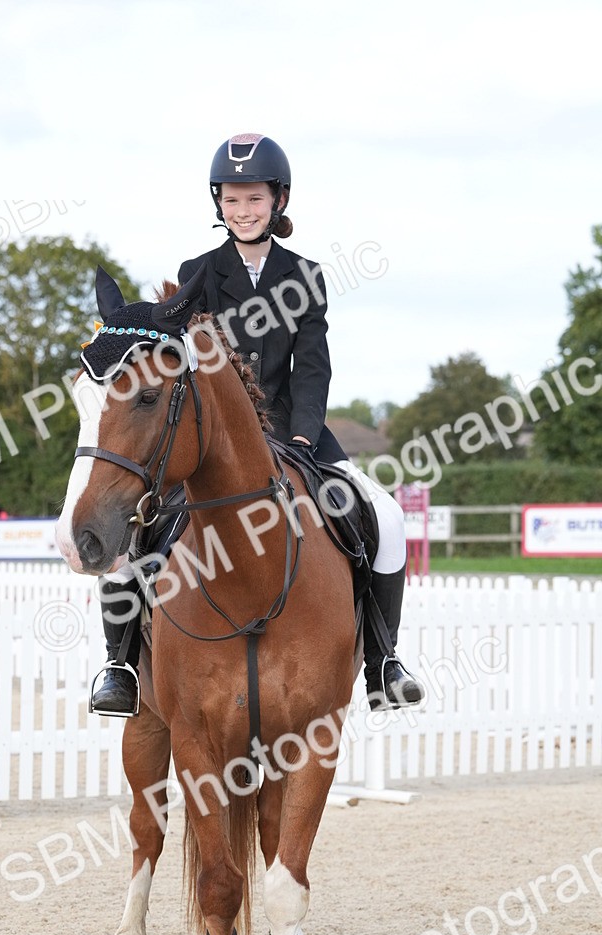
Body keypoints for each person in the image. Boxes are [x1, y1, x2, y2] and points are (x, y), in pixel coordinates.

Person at [90, 133, 423, 716]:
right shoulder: (196, 275)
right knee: (134, 537)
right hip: (213, 439)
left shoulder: (306, 276)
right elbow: (181, 367)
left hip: (299, 431)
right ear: (218, 205)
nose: (244, 212)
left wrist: (301, 432)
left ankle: (383, 662)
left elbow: (312, 367)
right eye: (233, 200)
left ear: (279, 201)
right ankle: (120, 665)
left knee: (388, 519)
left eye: (255, 200)